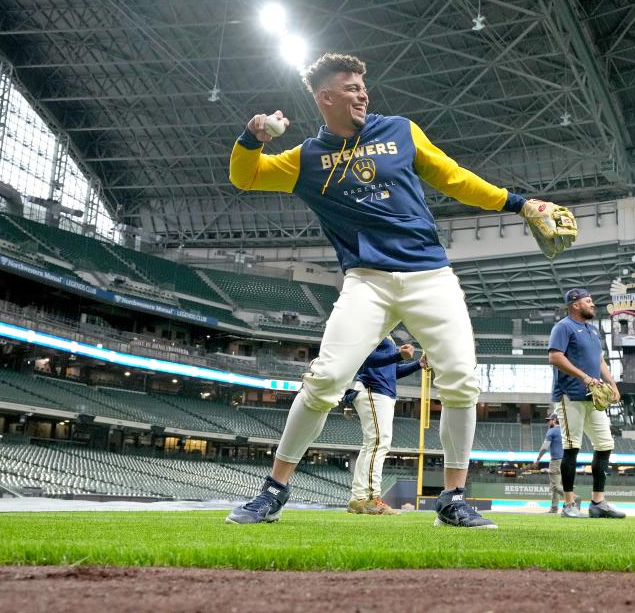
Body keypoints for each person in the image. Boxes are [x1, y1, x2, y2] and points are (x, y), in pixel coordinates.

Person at [225, 53, 576, 528]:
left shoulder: (401, 131)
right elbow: (244, 176)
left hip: (430, 274)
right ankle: (273, 489)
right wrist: (252, 139)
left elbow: (454, 178)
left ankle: (452, 498)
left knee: (461, 380)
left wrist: (517, 203)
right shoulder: (305, 158)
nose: (362, 93)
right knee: (326, 379)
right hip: (366, 281)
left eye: (363, 86)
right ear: (326, 97)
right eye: (350, 87)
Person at [548, 288, 625, 519]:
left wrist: (612, 383)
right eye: (588, 301)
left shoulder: (592, 330)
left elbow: (599, 359)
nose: (592, 304)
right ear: (574, 305)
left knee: (605, 444)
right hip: (569, 394)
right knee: (571, 446)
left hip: (593, 397)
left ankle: (598, 502)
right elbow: (554, 356)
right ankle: (569, 504)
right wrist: (583, 376)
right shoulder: (563, 327)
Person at [345, 337, 423, 515]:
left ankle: (358, 499)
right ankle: (373, 499)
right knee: (379, 443)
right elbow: (366, 359)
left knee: (371, 444)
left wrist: (418, 364)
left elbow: (392, 371)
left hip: (380, 391)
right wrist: (398, 355)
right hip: (373, 389)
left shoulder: (386, 334)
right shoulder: (376, 327)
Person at [534, 412, 565, 513]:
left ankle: (572, 498)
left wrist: (538, 459)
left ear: (555, 420)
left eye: (549, 420)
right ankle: (554, 508)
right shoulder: (564, 430)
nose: (547, 422)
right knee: (555, 485)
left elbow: (544, 447)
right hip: (565, 461)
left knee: (554, 486)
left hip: (556, 461)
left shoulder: (551, 431)